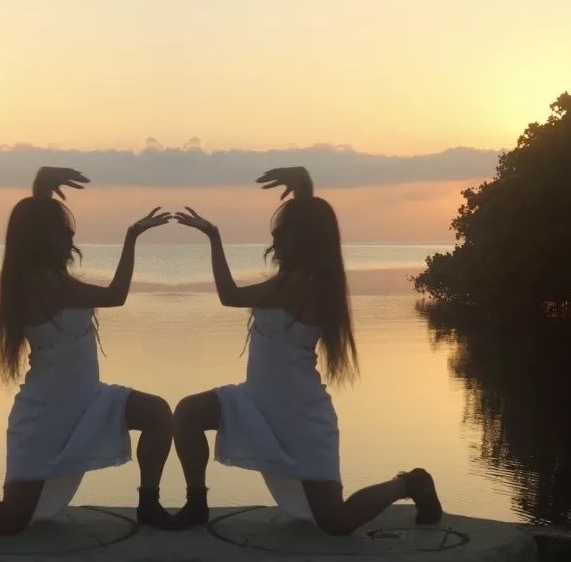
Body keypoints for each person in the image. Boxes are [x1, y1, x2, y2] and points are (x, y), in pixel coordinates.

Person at [0, 167, 177, 534]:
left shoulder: (49, 278)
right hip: (45, 417)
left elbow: (34, 223)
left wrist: (42, 189)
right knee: (10, 521)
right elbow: (116, 295)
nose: (71, 238)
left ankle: (148, 505)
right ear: (43, 240)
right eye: (63, 233)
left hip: (89, 401)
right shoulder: (40, 285)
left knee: (157, 413)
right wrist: (131, 238)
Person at [171, 167, 442, 534]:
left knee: (335, 521)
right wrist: (303, 187)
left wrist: (214, 237)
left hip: (300, 417)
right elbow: (311, 220)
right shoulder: (302, 276)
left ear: (300, 240)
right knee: (188, 413)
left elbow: (229, 295)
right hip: (256, 401)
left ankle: (410, 484)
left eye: (283, 233)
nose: (276, 238)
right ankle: (197, 504)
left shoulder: (300, 283)